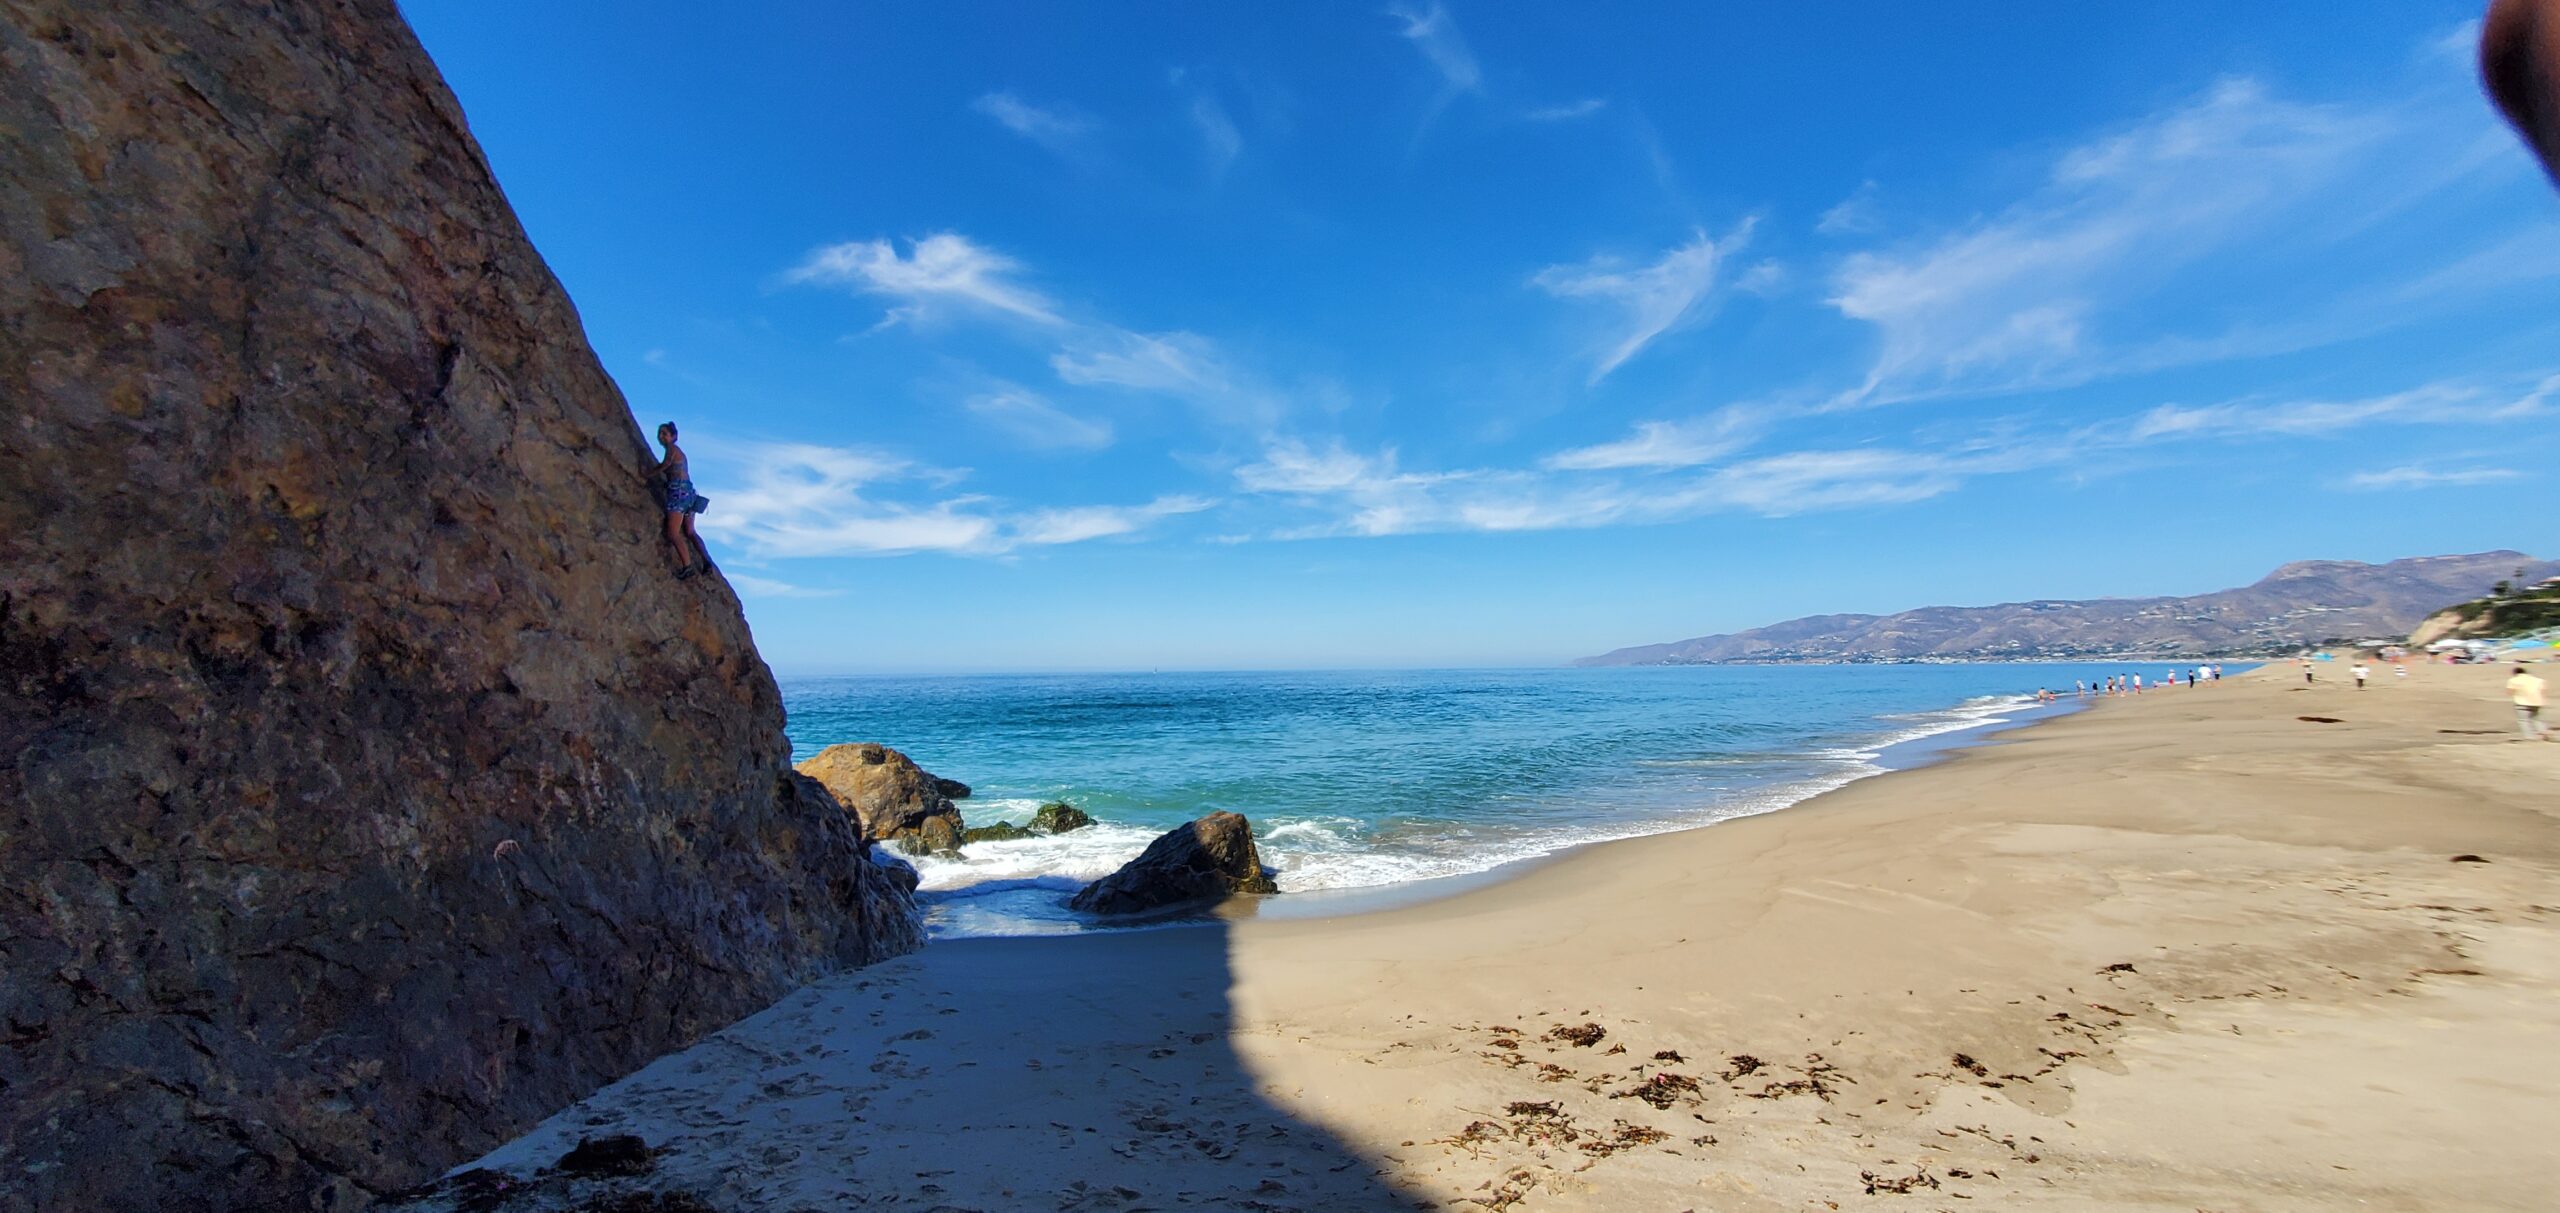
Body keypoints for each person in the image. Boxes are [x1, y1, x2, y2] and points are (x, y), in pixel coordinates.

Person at [654, 422, 711, 579]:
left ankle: (687, 567)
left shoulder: (672, 449)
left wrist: (648, 473)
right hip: (688, 493)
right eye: (660, 433)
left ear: (673, 437)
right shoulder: (678, 452)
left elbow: (665, 465)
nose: (661, 437)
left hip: (679, 494)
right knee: (690, 531)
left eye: (664, 434)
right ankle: (707, 561)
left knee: (673, 533)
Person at [2510, 665, 2549, 740]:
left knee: (2524, 720)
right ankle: (2543, 731)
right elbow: (2543, 690)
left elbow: (2510, 691)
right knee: (2536, 719)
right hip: (2537, 701)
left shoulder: (2514, 680)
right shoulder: (2538, 680)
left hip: (2522, 702)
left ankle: (2529, 737)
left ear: (2515, 673)